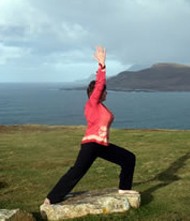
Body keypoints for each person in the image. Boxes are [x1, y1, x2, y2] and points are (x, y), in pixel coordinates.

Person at [44, 45, 138, 205]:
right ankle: (51, 198)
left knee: (129, 159)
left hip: (102, 145)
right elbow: (100, 84)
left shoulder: (100, 106)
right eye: (105, 91)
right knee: (77, 172)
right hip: (91, 145)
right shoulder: (92, 103)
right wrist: (102, 65)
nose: (107, 93)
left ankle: (124, 188)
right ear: (98, 92)